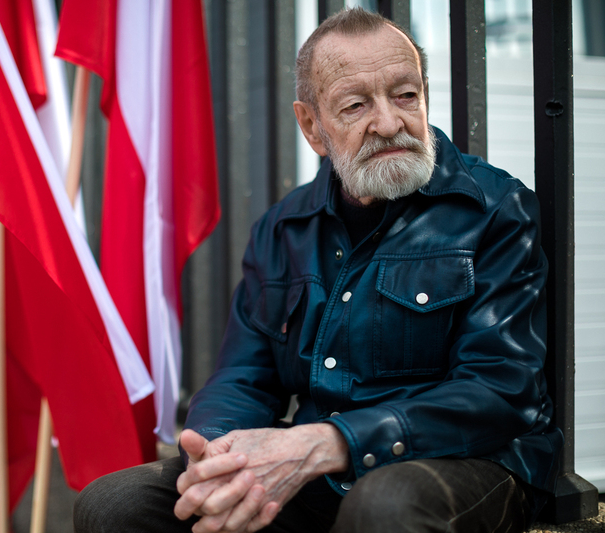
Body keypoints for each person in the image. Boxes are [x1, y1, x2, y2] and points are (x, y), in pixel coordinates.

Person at [73, 7, 562, 533]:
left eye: (405, 95)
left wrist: (331, 442)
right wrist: (216, 453)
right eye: (356, 105)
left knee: (384, 506)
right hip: (320, 469)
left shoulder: (495, 209)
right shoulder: (282, 228)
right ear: (311, 125)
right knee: (114, 504)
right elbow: (244, 375)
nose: (390, 122)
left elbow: (499, 389)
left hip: (466, 462)